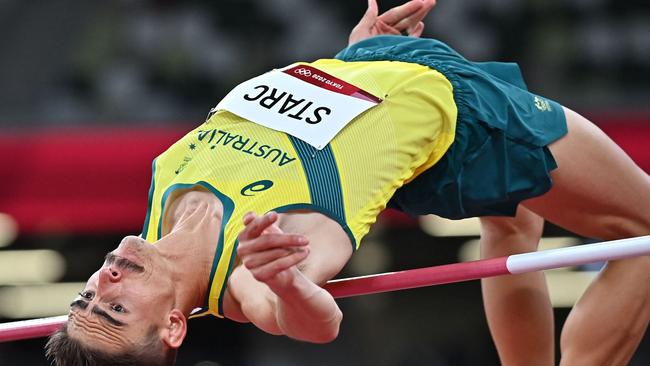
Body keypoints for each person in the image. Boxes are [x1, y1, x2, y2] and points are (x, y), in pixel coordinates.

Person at [44, 1, 650, 365]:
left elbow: (298, 122)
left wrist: (361, 60)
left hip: (382, 75)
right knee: (642, 231)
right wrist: (285, 278)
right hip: (468, 122)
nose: (104, 280)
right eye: (116, 308)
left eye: (84, 298)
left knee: (513, 225)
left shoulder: (161, 210)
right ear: (175, 326)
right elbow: (314, 322)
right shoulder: (251, 279)